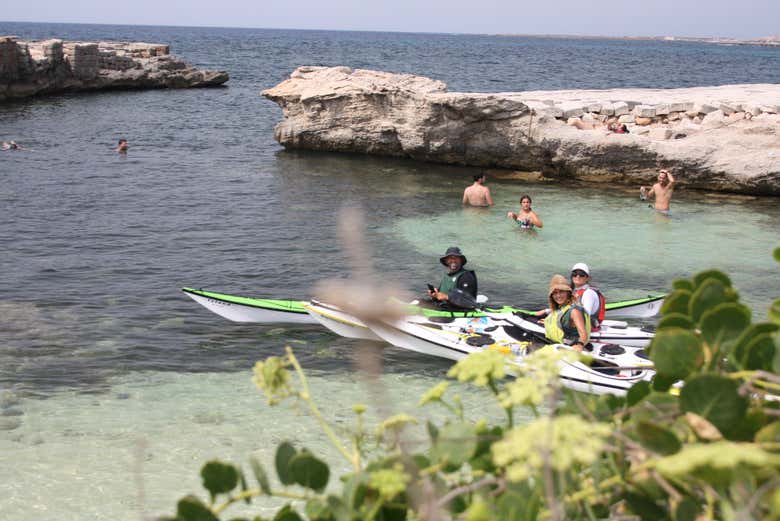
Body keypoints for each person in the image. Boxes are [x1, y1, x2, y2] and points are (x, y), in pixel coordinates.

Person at [542, 274, 590, 351]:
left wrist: (580, 345)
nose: (558, 296)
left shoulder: (574, 311)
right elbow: (559, 320)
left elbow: (583, 334)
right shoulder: (560, 308)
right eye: (555, 293)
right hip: (556, 345)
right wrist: (548, 322)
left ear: (568, 293)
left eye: (561, 292)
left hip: (569, 348)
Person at [569, 263, 606, 329]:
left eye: (581, 274)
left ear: (587, 278)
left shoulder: (588, 293)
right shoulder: (574, 291)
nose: (577, 276)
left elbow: (586, 315)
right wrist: (547, 311)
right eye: (574, 274)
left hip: (587, 326)